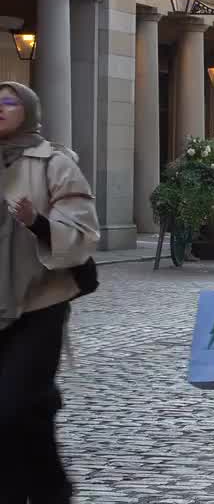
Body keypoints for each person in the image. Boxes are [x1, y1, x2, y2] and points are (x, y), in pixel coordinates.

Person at [0, 81, 100, 504]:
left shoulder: (53, 162)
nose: (0, 109)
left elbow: (81, 230)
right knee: (23, 412)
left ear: (28, 109)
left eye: (7, 102)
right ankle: (40, 490)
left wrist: (38, 222)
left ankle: (34, 490)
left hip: (40, 304)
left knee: (14, 407)